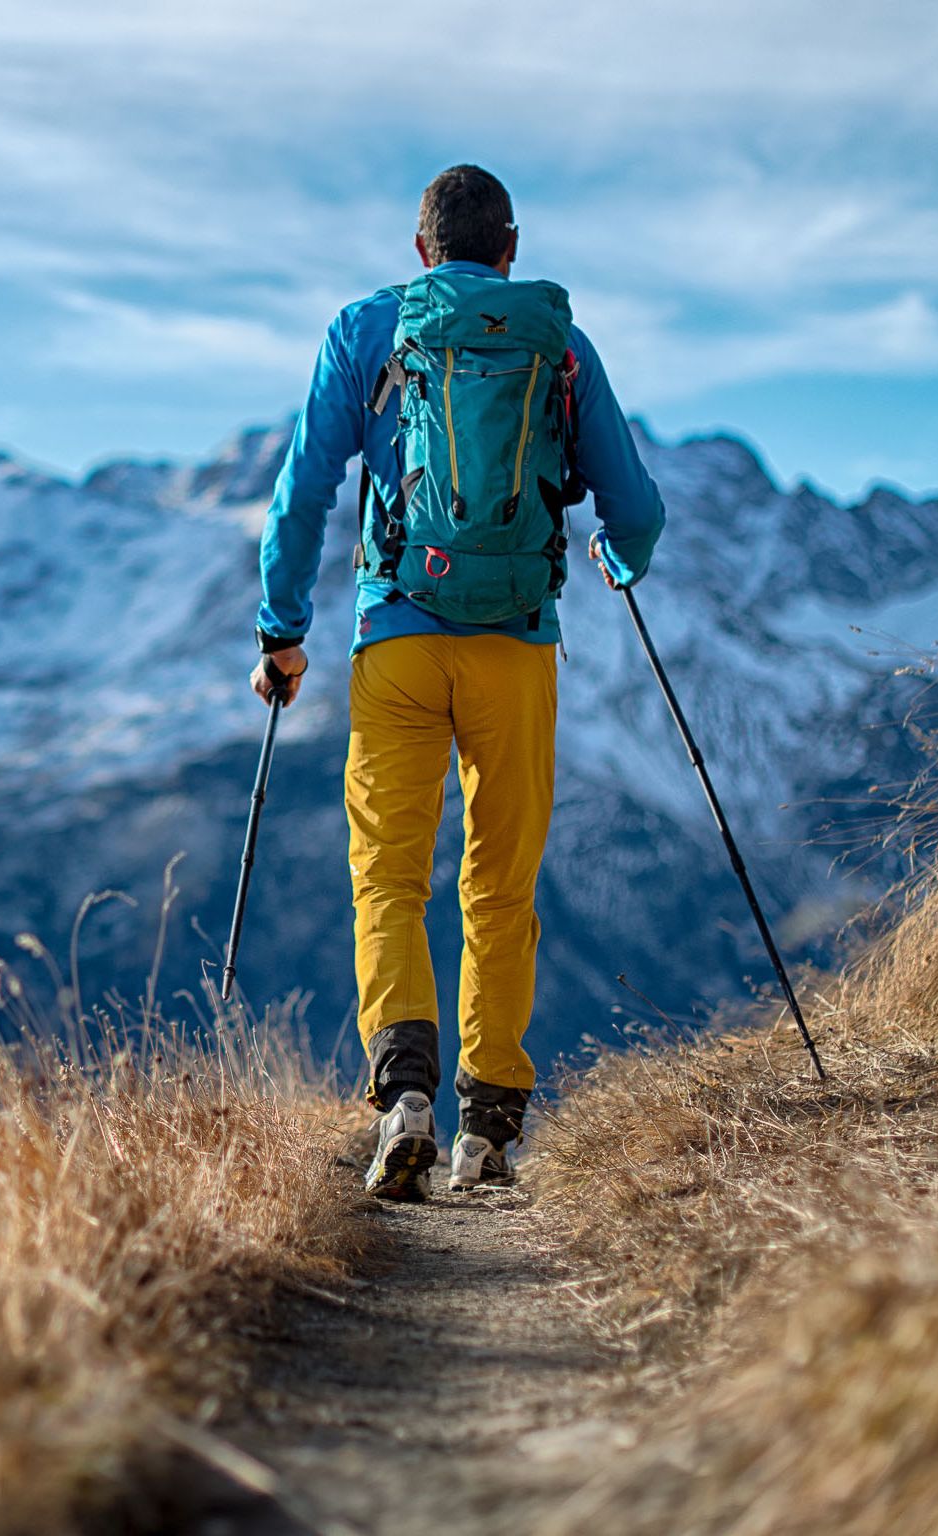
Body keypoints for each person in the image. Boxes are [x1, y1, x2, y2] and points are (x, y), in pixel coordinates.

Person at [251, 164, 665, 1200]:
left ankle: (402, 1100)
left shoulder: (364, 332)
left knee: (389, 875)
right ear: (510, 245)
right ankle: (487, 1129)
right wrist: (619, 555)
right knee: (500, 882)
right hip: (514, 646)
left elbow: (299, 492)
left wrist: (281, 630)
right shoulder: (555, 342)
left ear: (419, 248)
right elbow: (636, 507)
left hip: (394, 639)